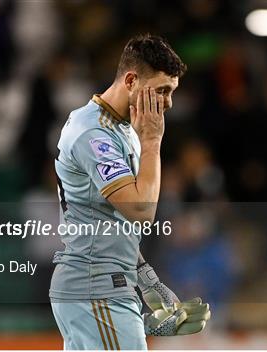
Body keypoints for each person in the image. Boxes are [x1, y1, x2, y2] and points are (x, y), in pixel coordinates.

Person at [50, 34, 211, 350]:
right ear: (131, 80)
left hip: (102, 284)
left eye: (172, 92)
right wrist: (152, 143)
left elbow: (112, 220)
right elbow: (140, 210)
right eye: (163, 90)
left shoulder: (120, 128)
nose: (168, 103)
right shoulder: (94, 133)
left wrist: (146, 279)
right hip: (96, 289)